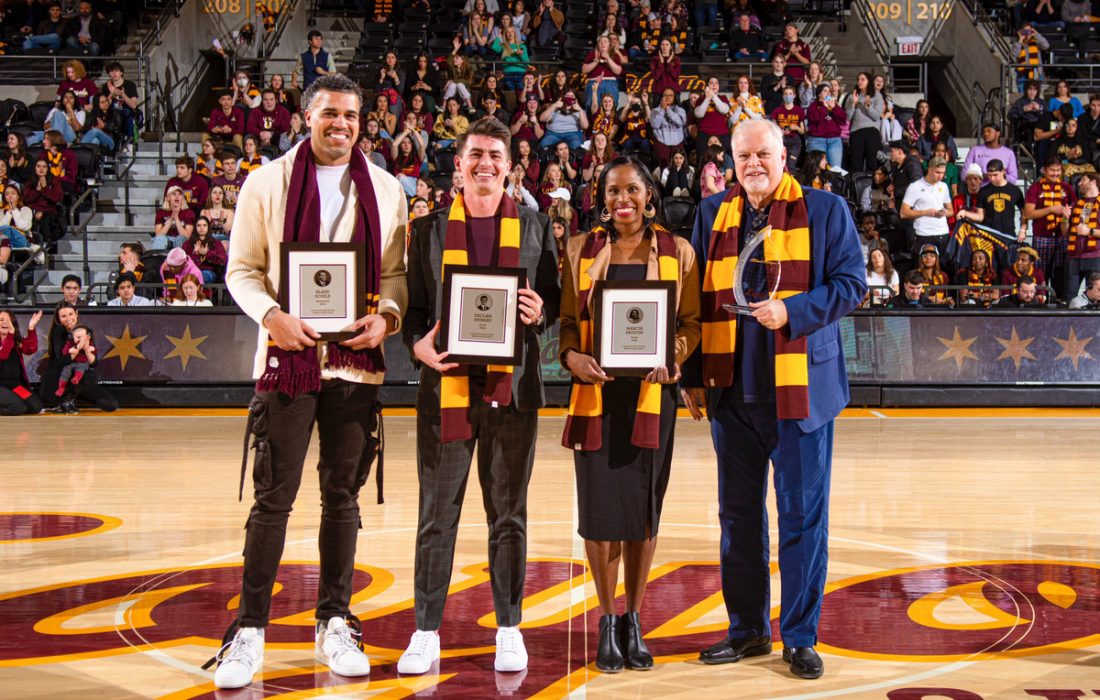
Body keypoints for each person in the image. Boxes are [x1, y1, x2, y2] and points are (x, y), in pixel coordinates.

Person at [214, 74, 408, 690]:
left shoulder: (386, 188)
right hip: (287, 358)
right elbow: (240, 270)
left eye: (351, 115)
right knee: (274, 498)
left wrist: (389, 317)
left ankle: (333, 620)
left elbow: (397, 275)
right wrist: (271, 314)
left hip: (353, 367)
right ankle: (248, 631)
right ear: (306, 117)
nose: (341, 125)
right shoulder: (264, 182)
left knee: (342, 498)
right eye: (329, 114)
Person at [682, 119, 865, 680]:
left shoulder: (827, 210)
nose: (754, 164)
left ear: (784, 156)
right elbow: (694, 304)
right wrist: (691, 375)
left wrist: (794, 311)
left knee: (803, 520)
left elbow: (853, 284)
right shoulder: (712, 214)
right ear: (731, 162)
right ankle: (747, 631)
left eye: (763, 153)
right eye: (744, 156)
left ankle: (802, 637)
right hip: (731, 392)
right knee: (737, 520)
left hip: (801, 394)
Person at [398, 117, 560, 676]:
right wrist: (416, 347)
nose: (485, 163)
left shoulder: (538, 228)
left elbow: (555, 303)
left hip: (512, 392)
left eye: (496, 155)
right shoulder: (427, 231)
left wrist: (542, 315)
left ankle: (509, 626)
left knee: (508, 514)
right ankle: (425, 630)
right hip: (445, 389)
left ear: (510, 167)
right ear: (458, 165)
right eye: (475, 155)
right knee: (435, 514)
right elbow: (414, 314)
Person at [559, 155, 700, 672]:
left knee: (642, 515)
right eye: (614, 191)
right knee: (599, 517)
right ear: (603, 197)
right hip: (596, 397)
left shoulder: (679, 252)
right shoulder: (579, 250)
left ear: (649, 195)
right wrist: (572, 357)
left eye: (633, 190)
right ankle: (605, 617)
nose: (623, 200)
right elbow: (568, 326)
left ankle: (634, 618)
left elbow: (690, 324)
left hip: (650, 397)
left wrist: (674, 358)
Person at [39, 303, 118, 413]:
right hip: (61, 375)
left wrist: (86, 349)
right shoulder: (58, 332)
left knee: (111, 405)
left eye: (70, 314)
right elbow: (62, 360)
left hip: (79, 379)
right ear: (59, 319)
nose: (68, 319)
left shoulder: (86, 332)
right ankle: (65, 399)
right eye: (63, 316)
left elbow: (93, 363)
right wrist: (78, 347)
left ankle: (71, 397)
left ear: (76, 314)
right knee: (90, 376)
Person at [1023, 157, 1075, 294]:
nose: (1055, 173)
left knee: (1061, 273)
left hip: (1062, 237)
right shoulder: (1035, 188)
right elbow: (1028, 213)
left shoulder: (1067, 188)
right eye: (1052, 170)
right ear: (1044, 170)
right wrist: (1050, 209)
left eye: (1058, 170)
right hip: (1042, 237)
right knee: (1041, 273)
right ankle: (1041, 301)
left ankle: (1060, 302)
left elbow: (1075, 210)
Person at [901, 156, 954, 258]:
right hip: (923, 234)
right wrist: (925, 212)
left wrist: (945, 213)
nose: (940, 176)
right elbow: (903, 213)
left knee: (942, 267)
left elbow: (951, 210)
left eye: (943, 173)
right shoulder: (915, 186)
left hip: (943, 233)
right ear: (929, 169)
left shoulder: (943, 186)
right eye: (937, 172)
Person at [0, 310, 44, 416]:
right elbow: (3, 354)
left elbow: (30, 349)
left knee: (35, 407)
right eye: (1, 320)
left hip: (15, 385)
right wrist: (10, 334)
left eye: (9, 320)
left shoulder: (16, 340)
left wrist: (31, 328)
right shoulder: (10, 338)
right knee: (18, 407)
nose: (5, 322)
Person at [1065, 170, 1100, 299]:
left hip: (1095, 255)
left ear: (1093, 181)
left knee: (1095, 295)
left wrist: (1089, 231)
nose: (1079, 184)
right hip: (1074, 255)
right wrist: (1064, 219)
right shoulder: (1076, 204)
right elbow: (1066, 233)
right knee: (1069, 295)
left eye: (1083, 180)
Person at [979, 159, 1027, 241]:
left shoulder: (1014, 190)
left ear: (1003, 171)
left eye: (995, 175)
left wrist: (1023, 230)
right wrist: (966, 213)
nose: (992, 178)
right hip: (988, 235)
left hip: (1008, 235)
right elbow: (980, 216)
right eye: (989, 175)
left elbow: (1024, 212)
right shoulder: (983, 191)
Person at [54, 324, 95, 398]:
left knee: (81, 368)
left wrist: (88, 349)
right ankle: (61, 387)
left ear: (87, 337)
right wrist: (74, 348)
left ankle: (76, 379)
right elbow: (66, 351)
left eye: (80, 337)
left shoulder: (89, 343)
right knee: (65, 371)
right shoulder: (70, 343)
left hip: (82, 363)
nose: (77, 340)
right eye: (76, 337)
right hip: (72, 362)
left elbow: (93, 351)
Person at [154, 186, 195, 250]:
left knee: (181, 238)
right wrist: (170, 219)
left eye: (179, 194)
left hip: (180, 239)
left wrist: (176, 219)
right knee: (159, 239)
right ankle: (158, 260)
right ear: (168, 198)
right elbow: (158, 235)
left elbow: (186, 236)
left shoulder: (189, 212)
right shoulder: (161, 212)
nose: (177, 196)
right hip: (165, 239)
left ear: (182, 198)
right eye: (174, 194)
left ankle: (179, 259)